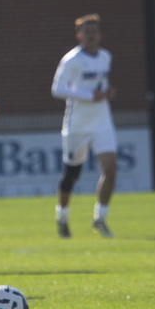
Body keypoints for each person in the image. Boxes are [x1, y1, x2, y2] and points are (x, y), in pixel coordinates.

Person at [51, 13, 117, 239]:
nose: (90, 35)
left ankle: (100, 218)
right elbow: (57, 89)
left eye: (94, 31)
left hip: (101, 121)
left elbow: (101, 86)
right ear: (78, 35)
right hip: (77, 123)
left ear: (100, 34)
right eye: (86, 32)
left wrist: (107, 92)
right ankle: (62, 217)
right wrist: (90, 95)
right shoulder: (72, 60)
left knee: (110, 169)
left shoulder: (105, 57)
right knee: (72, 175)